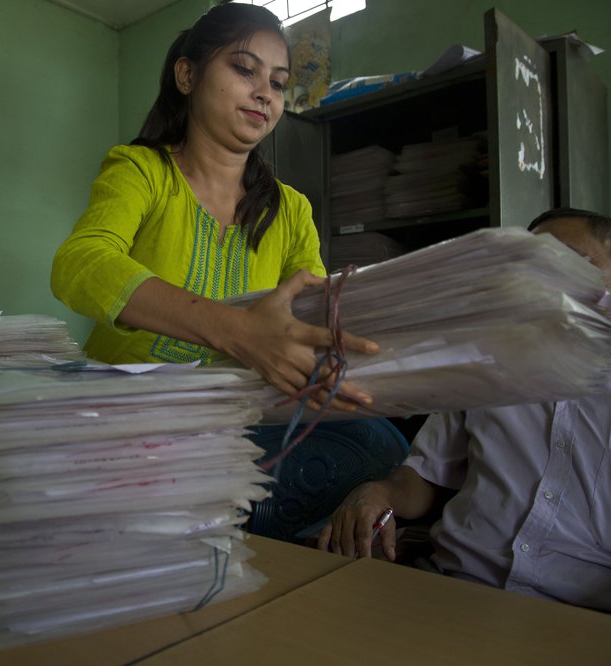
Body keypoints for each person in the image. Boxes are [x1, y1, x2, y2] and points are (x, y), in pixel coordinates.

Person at [317, 207, 611, 632]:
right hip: (451, 593)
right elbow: (423, 479)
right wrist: (379, 492)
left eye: (575, 265)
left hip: (602, 628)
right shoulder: (488, 369)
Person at [51, 3, 375, 410]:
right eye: (244, 69)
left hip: (237, 417)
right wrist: (237, 330)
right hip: (127, 410)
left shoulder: (290, 209)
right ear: (188, 75)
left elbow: (312, 315)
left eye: (278, 83)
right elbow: (81, 263)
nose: (264, 94)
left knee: (376, 440)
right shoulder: (142, 170)